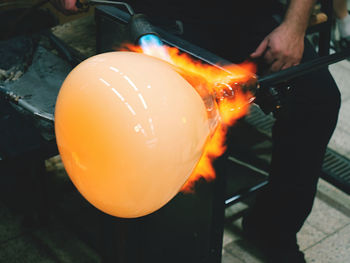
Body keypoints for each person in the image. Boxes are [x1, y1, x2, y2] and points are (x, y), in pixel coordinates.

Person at [53, 1, 341, 262]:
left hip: (249, 16)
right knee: (161, 122)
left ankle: (273, 229)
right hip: (161, 17)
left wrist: (294, 25)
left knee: (318, 101)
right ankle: (158, 241)